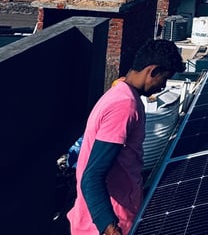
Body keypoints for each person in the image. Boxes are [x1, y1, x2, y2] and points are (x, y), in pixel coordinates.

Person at [67, 39, 185, 235]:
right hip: (103, 226)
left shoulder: (121, 92)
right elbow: (92, 176)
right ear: (153, 71)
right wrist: (109, 227)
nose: (163, 86)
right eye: (164, 79)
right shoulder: (124, 106)